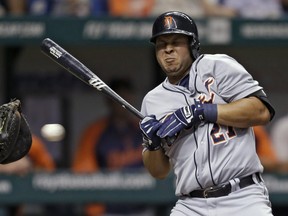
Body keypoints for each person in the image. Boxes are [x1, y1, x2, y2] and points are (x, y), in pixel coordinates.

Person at [139, 11, 276, 216]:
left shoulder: (218, 66)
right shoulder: (152, 101)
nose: (168, 49)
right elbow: (158, 172)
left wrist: (202, 111)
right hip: (191, 204)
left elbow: (261, 111)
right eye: (161, 44)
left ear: (192, 45)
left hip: (242, 197)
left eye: (176, 42)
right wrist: (153, 145)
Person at [72, 78, 153, 216]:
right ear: (108, 100)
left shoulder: (143, 129)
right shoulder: (95, 131)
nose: (122, 104)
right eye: (118, 98)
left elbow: (160, 165)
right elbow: (82, 170)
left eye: (126, 97)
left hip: (141, 206)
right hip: (108, 208)